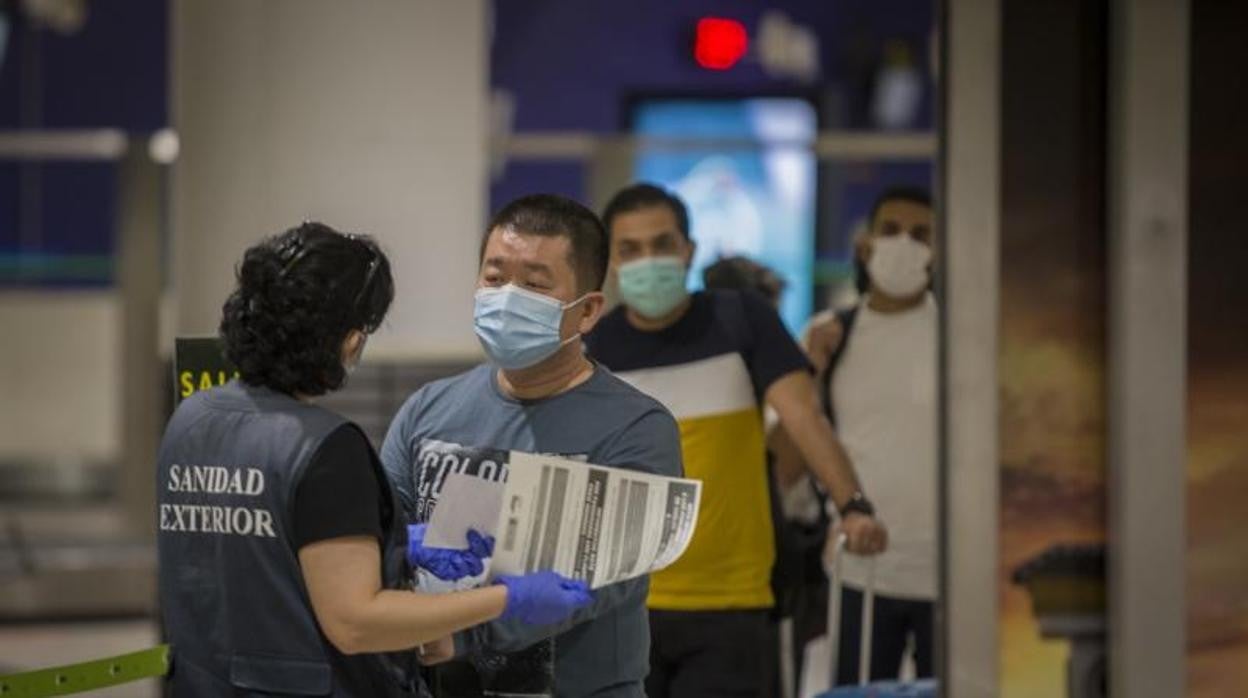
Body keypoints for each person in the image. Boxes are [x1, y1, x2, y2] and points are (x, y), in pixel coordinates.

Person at [156, 222, 591, 697]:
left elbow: (267, 550)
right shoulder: (323, 447)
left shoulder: (190, 422)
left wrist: (393, 544)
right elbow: (356, 622)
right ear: (344, 338)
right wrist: (507, 598)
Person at [585, 183, 887, 698]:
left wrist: (852, 505)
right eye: (629, 249)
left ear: (689, 250)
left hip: (731, 603)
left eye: (662, 245)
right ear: (610, 261)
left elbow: (803, 417)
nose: (648, 260)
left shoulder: (740, 317)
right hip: (622, 606)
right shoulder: (596, 349)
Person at [381, 194, 683, 697]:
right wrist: (401, 551)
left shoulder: (637, 427)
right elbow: (380, 533)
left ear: (586, 311)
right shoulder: (426, 410)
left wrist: (467, 631)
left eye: (535, 285)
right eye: (495, 279)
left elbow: (607, 580)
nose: (507, 298)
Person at [774, 187, 938, 685]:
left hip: (954, 574)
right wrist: (812, 371)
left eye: (921, 234)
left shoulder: (966, 333)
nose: (904, 244)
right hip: (858, 572)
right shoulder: (830, 335)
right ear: (865, 245)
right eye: (890, 231)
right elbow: (786, 464)